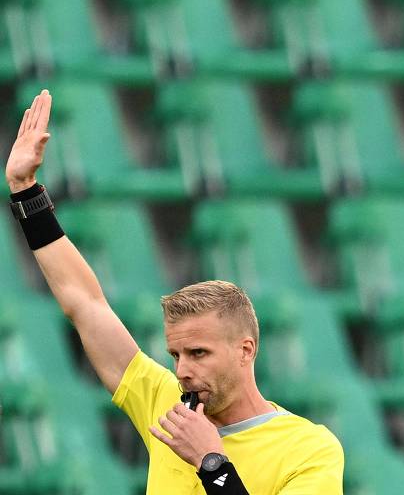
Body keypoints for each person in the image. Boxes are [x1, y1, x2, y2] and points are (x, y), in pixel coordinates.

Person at [4, 89, 344, 494]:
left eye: (199, 353)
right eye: (176, 354)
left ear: (246, 349)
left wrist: (211, 462)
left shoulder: (308, 448)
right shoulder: (165, 405)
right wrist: (25, 190)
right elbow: (85, 304)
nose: (182, 369)